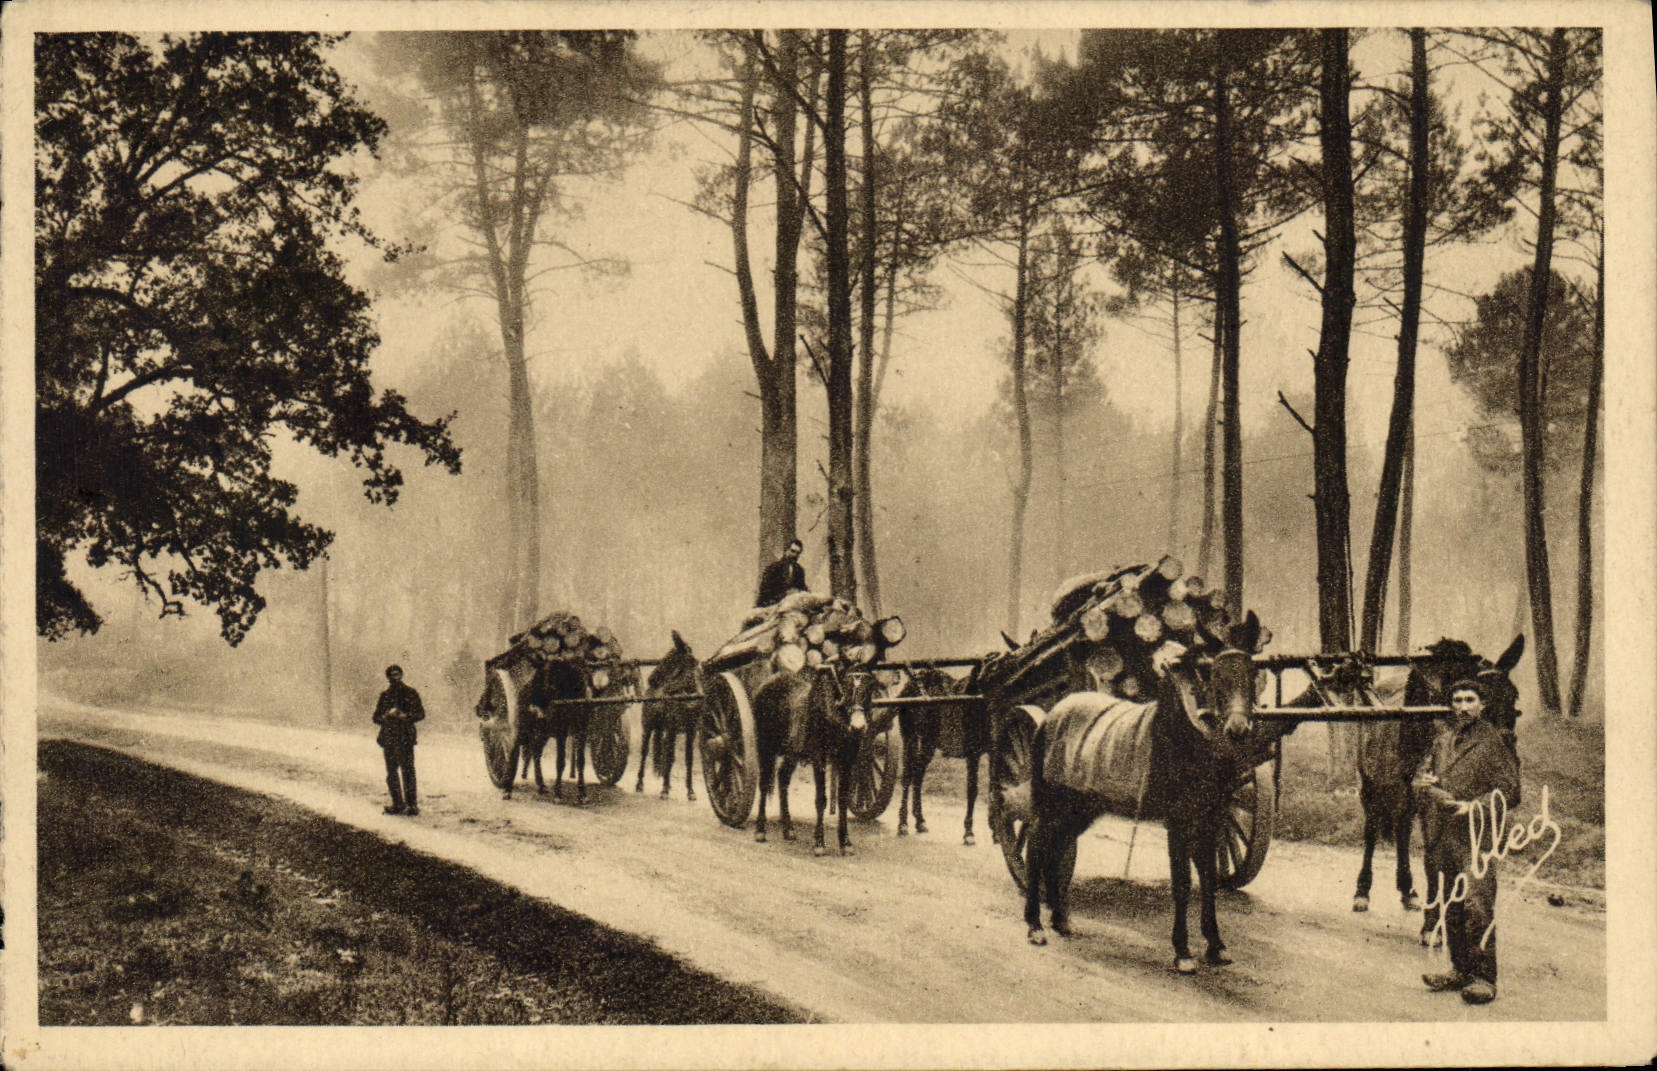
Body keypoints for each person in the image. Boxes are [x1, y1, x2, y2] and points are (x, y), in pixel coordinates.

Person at [1412, 678, 1522, 1005]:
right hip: (1444, 833)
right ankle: (1459, 970)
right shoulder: (1443, 740)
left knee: (1477, 904)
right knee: (1451, 902)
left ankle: (1484, 978)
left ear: (1482, 705)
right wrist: (1424, 783)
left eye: (1469, 700)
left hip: (1477, 836)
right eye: (1457, 700)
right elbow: (1423, 780)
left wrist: (1474, 806)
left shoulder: (1495, 741)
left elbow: (1510, 792)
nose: (1462, 706)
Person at [373, 664, 426, 816]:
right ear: (388, 678)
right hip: (389, 737)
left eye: (397, 674)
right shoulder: (385, 696)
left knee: (408, 771)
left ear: (402, 675)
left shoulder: (410, 693)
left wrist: (406, 716)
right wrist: (386, 716)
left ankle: (412, 805)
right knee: (391, 772)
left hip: (405, 736)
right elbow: (376, 717)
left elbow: (421, 714)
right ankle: (397, 803)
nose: (395, 678)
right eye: (392, 675)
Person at [755, 538, 807, 607]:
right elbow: (765, 592)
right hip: (773, 605)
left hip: (792, 606)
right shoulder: (773, 568)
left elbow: (802, 588)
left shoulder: (799, 570)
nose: (795, 555)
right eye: (792, 551)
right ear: (786, 550)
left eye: (798, 553)